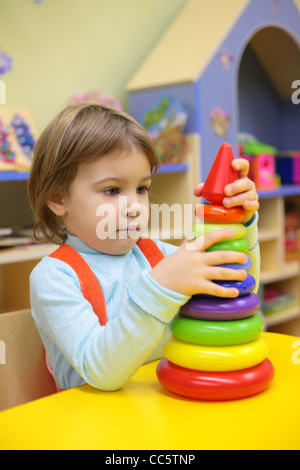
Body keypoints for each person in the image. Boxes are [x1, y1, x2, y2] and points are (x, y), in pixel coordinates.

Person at [28, 104, 260, 391]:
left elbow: (234, 293)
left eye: (142, 189)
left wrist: (241, 222)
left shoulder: (158, 255)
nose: (135, 207)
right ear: (58, 199)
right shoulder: (54, 277)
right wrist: (161, 285)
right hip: (94, 424)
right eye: (112, 191)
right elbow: (101, 372)